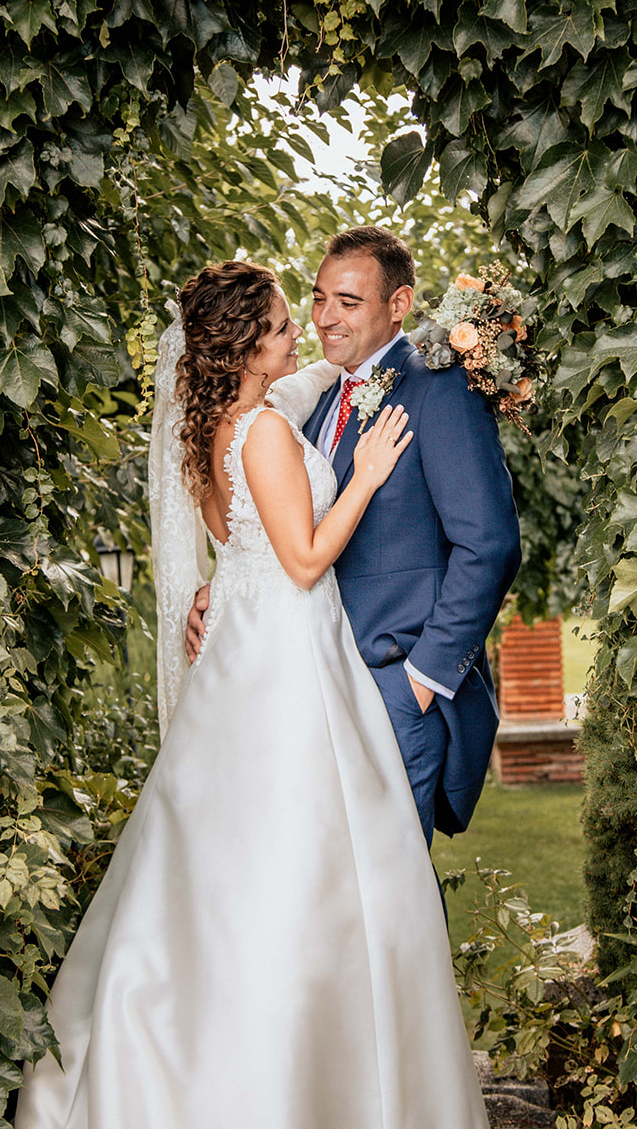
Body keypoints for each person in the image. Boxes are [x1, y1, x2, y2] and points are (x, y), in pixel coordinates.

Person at [0, 259, 496, 1129]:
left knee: (221, 896)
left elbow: (235, 548)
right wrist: (371, 473)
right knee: (301, 898)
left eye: (310, 314)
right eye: (286, 324)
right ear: (245, 349)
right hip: (287, 675)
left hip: (242, 669)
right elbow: (298, 560)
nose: (300, 334)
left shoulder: (216, 428)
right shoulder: (264, 431)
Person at [189, 227, 521, 846]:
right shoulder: (311, 407)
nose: (324, 319)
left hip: (395, 693)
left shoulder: (438, 389)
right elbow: (281, 533)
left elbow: (490, 545)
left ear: (398, 306)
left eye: (348, 301)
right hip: (315, 696)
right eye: (317, 299)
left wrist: (421, 681)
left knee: (391, 904)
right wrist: (225, 590)